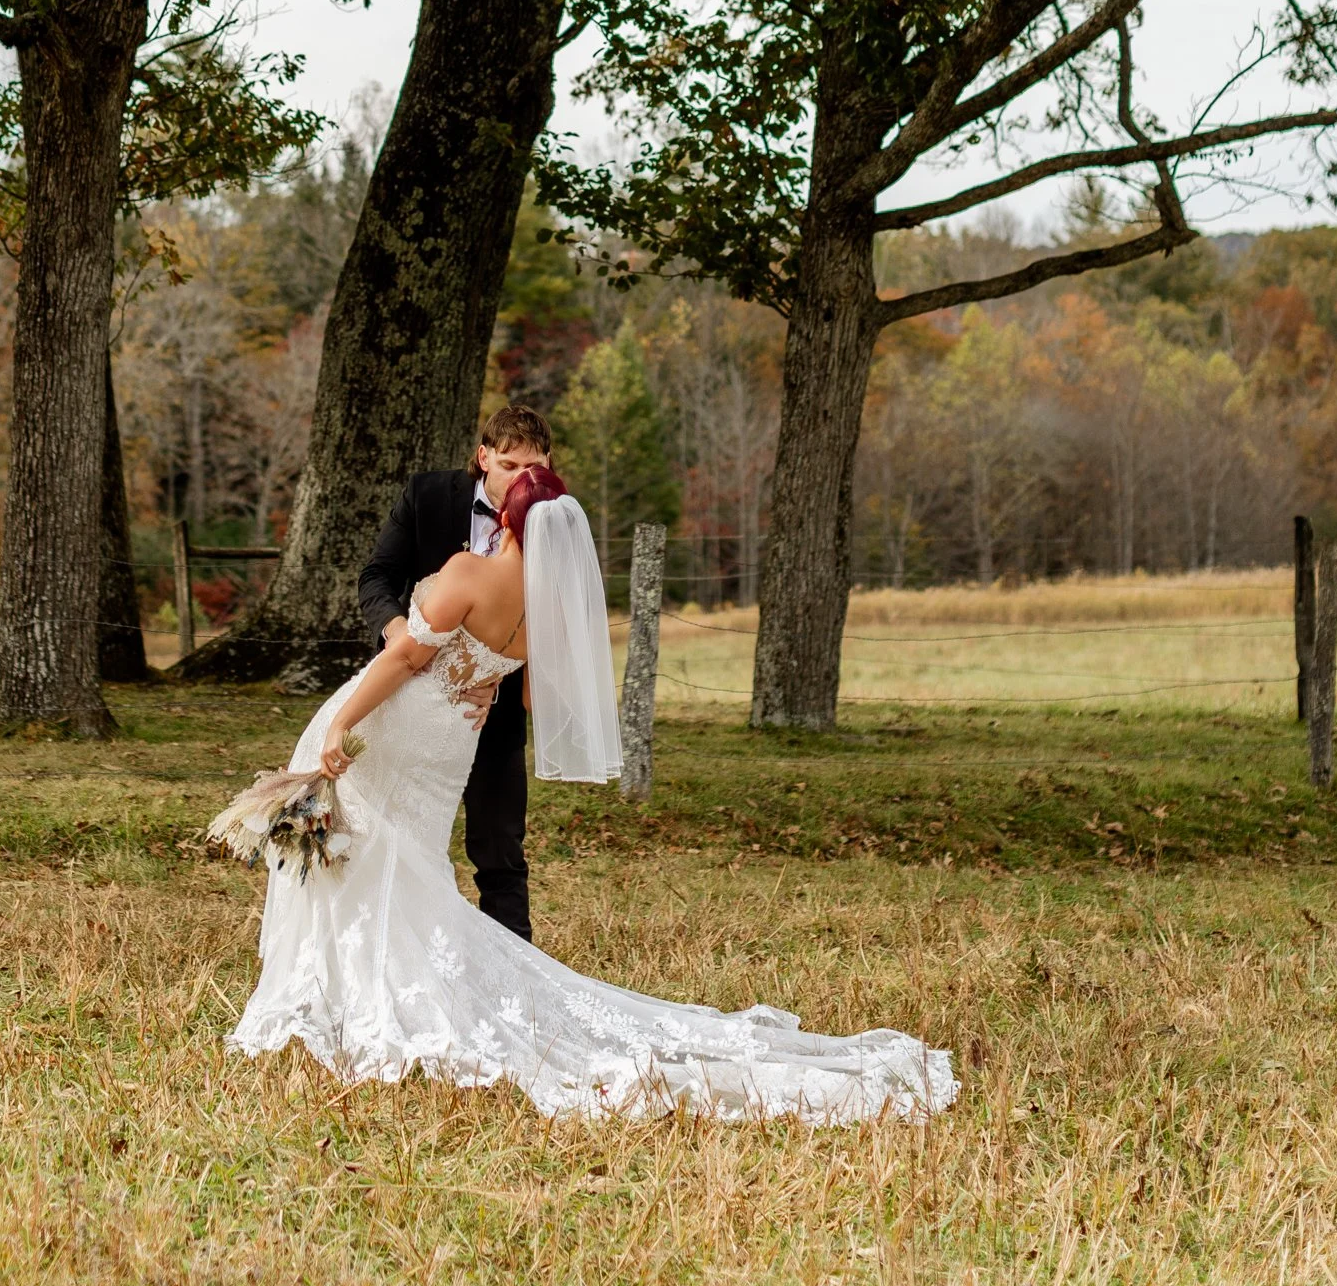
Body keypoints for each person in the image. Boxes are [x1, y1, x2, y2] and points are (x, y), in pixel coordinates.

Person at [229, 462, 957, 1124]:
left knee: (362, 857)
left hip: (398, 726)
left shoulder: (466, 572)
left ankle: (344, 998)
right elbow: (535, 695)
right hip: (452, 744)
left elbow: (407, 656)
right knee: (404, 863)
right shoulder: (545, 606)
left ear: (507, 521)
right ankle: (363, 993)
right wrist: (482, 682)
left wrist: (344, 722)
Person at [356, 402, 551, 940]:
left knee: (499, 847)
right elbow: (377, 575)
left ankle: (515, 979)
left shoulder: (552, 521)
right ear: (484, 457)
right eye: (509, 465)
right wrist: (402, 635)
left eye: (533, 466)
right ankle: (397, 947)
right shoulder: (427, 495)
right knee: (397, 831)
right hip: (411, 697)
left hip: (493, 711)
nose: (520, 478)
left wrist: (495, 672)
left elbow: (548, 625)